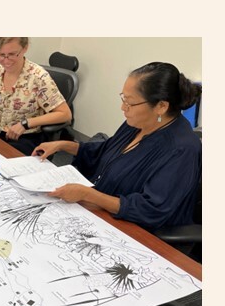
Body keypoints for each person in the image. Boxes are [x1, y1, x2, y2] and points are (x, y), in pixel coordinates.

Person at [33, 62, 201, 231]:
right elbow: (105, 151)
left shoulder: (182, 149)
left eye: (130, 102)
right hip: (98, 212)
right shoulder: (137, 122)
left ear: (161, 106)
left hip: (138, 232)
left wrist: (89, 194)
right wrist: (64, 145)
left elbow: (151, 210)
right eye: (123, 98)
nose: (123, 107)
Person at [0, 38, 72, 155]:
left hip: (26, 137)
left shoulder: (38, 77)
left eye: (11, 54)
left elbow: (65, 114)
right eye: (1, 55)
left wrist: (26, 124)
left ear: (25, 48)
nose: (6, 60)